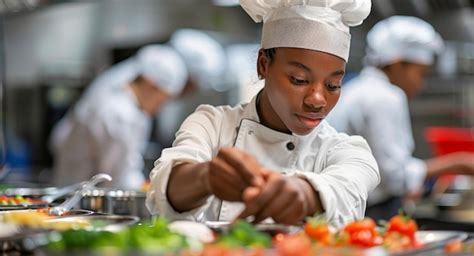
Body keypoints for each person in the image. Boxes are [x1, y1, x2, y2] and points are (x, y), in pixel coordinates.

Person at [146, 0, 379, 228]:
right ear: (263, 65)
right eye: (299, 79)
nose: (317, 100)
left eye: (333, 85)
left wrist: (305, 193)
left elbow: (348, 188)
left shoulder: (347, 150)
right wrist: (206, 177)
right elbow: (163, 189)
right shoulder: (212, 125)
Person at [326, 16, 474, 220]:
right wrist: (459, 163)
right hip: (370, 212)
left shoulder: (356, 88)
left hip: (343, 207)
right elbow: (395, 177)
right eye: (421, 74)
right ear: (397, 64)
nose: (421, 85)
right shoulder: (385, 96)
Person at [50, 45, 188, 189]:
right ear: (150, 84)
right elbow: (118, 179)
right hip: (80, 198)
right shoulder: (120, 114)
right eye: (162, 100)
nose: (160, 109)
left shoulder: (128, 105)